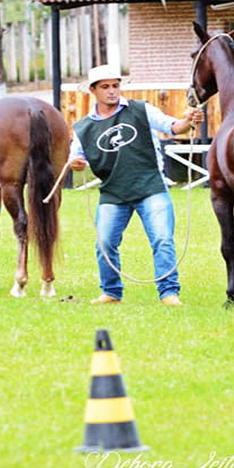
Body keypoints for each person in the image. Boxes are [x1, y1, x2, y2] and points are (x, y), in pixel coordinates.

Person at [69, 64, 203, 306]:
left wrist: (188, 121)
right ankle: (111, 293)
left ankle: (169, 293)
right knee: (105, 243)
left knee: (162, 239)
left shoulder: (141, 110)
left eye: (115, 86)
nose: (112, 91)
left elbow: (173, 127)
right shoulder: (83, 128)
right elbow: (76, 157)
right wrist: (75, 164)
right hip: (113, 192)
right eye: (105, 87)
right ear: (93, 90)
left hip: (150, 187)